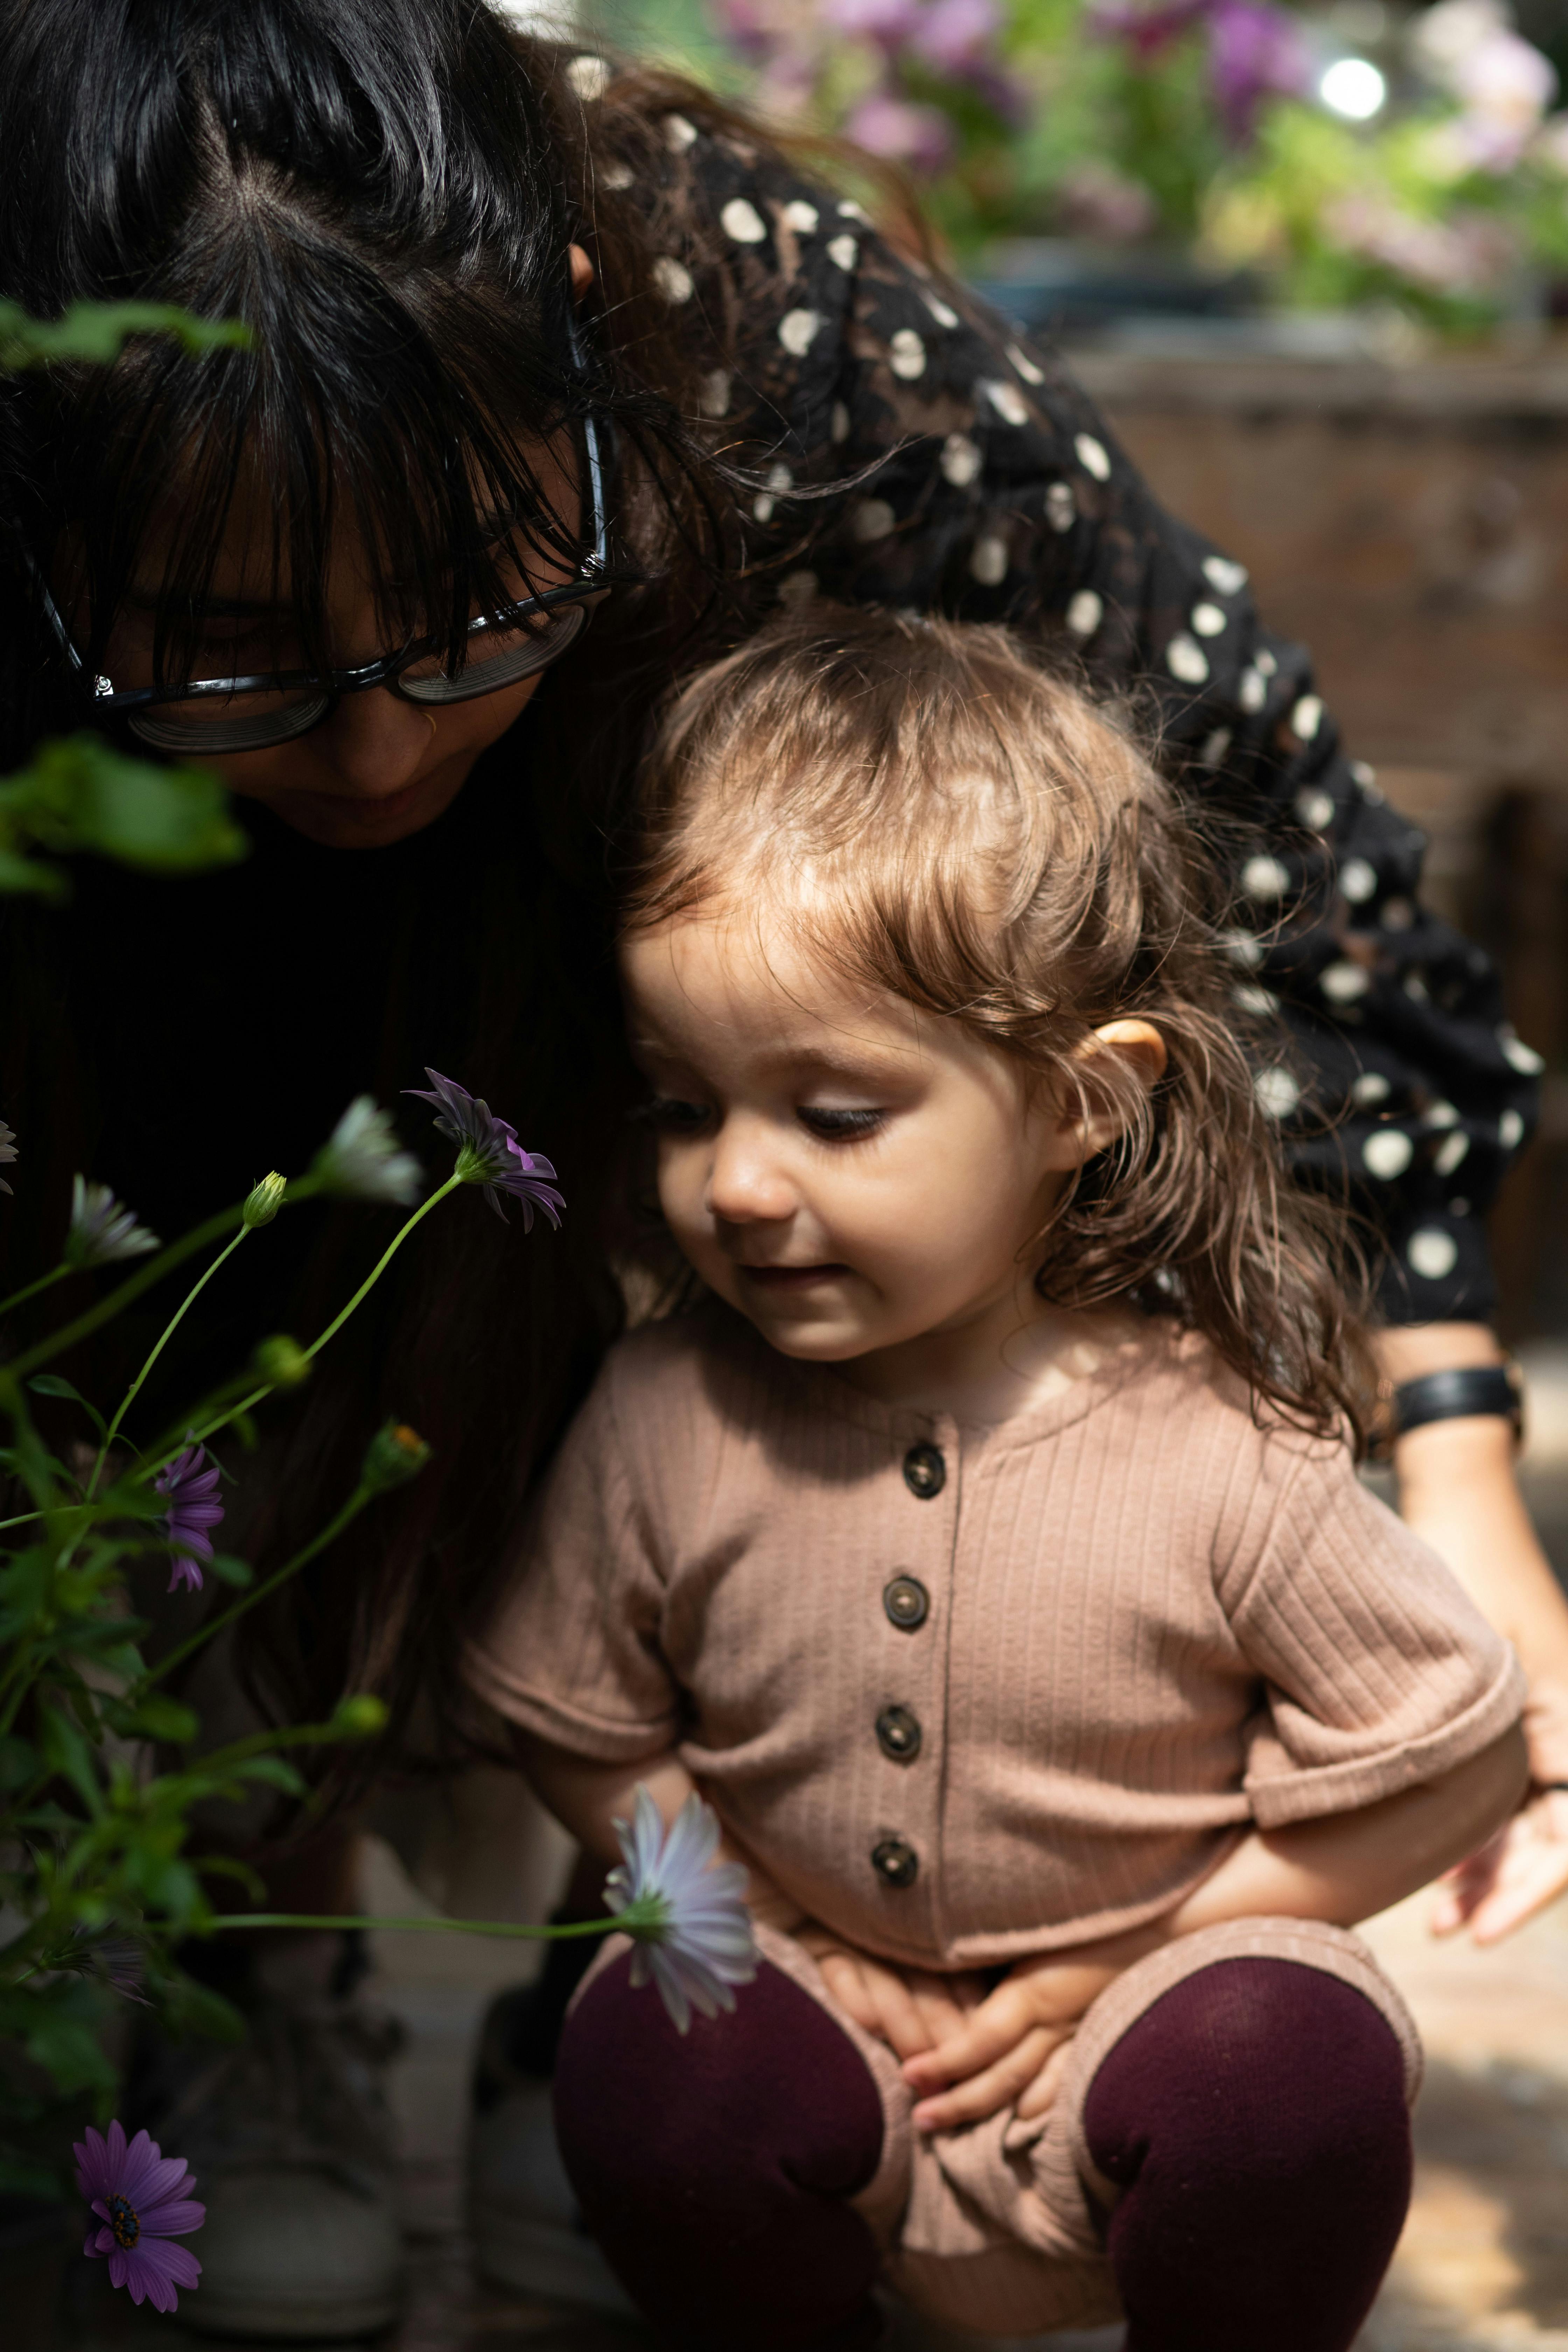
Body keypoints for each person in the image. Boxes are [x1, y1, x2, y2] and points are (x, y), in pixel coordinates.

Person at [0, 0, 1558, 2332]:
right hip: (135, 1019)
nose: (384, 732)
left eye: (477, 595)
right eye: (235, 646)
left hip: (596, 967)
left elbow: (1274, 853)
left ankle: (587, 2004)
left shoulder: (757, 323)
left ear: (590, 359)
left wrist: (1451, 1462)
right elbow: (573, 1693)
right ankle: (268, 1930)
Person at [470, 608, 1531, 2352]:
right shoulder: (668, 1410)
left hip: (1138, 2033)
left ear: (1078, 1106)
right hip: (825, 2050)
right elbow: (574, 1715)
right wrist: (748, 1914)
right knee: (649, 2035)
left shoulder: (1216, 1447)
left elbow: (1459, 1746)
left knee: (1286, 2061)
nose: (734, 1184)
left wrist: (1159, 1944)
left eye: (833, 1115)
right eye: (682, 1104)